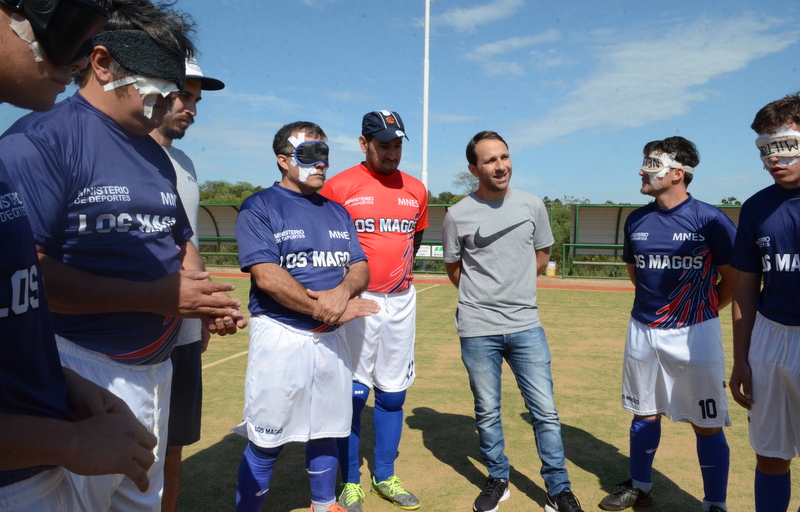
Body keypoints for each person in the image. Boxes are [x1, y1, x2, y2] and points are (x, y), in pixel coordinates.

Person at [0, 2, 246, 510]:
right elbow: (28, 273)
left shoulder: (155, 153)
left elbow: (178, 240)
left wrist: (204, 298)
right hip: (84, 367)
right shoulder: (39, 141)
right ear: (103, 64)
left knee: (140, 501)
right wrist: (153, 296)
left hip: (156, 369)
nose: (172, 104)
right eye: (162, 88)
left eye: (177, 92)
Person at [0, 0, 159, 510]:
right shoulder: (34, 145)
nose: (78, 57)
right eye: (64, 25)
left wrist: (63, 384)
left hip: (39, 472)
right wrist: (69, 442)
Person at [233, 121, 380, 512]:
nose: (321, 163)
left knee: (327, 429)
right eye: (309, 154)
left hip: (331, 337)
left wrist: (341, 294)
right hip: (280, 336)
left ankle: (324, 503)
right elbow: (267, 276)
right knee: (267, 438)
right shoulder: (260, 206)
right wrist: (323, 307)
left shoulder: (337, 212)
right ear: (284, 160)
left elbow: (360, 268)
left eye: (324, 155)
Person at [442, 131, 584, 512]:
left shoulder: (532, 205)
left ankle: (558, 489)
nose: (500, 165)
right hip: (477, 328)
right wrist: (484, 295)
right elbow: (454, 269)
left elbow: (542, 254)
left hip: (525, 325)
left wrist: (514, 285)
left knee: (546, 412)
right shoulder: (457, 214)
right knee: (487, 411)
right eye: (490, 160)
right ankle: (497, 478)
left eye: (504, 157)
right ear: (474, 168)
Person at [598, 137, 737, 512]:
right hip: (643, 331)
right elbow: (637, 274)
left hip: (696, 333)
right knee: (643, 413)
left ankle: (715, 503)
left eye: (651, 165)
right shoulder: (637, 220)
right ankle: (640, 485)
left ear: (678, 173)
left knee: (706, 422)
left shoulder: (710, 219)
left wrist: (702, 308)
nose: (641, 171)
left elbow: (734, 279)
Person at [320, 110, 428, 512]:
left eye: (397, 145)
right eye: (384, 145)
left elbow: (414, 242)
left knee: (393, 394)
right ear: (364, 143)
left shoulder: (416, 190)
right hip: (356, 301)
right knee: (353, 394)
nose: (392, 153)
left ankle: (385, 477)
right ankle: (350, 482)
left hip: (400, 301)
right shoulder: (338, 186)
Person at [149, 57, 225, 512]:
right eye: (183, 95)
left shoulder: (185, 162)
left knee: (174, 445)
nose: (191, 109)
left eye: (196, 100)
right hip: (132, 331)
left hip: (183, 329)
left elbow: (188, 243)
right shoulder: (120, 153)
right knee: (126, 448)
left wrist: (204, 312)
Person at [729, 94, 800, 512]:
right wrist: (741, 358)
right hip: (770, 340)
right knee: (771, 454)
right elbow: (744, 287)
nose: (773, 157)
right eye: (764, 148)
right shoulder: (756, 206)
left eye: (785, 144)